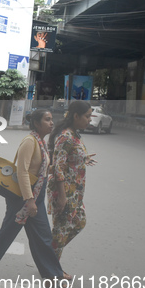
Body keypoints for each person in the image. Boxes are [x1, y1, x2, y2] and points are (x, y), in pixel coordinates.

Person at [0, 109, 72, 283]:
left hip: (36, 197)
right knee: (7, 233)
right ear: (36, 123)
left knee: (43, 237)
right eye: (47, 119)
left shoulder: (40, 142)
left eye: (52, 119)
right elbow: (22, 172)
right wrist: (29, 200)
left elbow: (40, 170)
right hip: (23, 198)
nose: (51, 123)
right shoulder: (29, 141)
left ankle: (53, 274)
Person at [47, 100, 97, 260]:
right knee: (60, 231)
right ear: (76, 116)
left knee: (79, 222)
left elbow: (70, 157)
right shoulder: (65, 136)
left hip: (75, 192)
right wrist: (62, 197)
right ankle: (51, 267)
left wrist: (84, 158)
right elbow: (58, 167)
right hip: (65, 192)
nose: (90, 119)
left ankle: (47, 257)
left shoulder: (74, 134)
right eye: (87, 116)